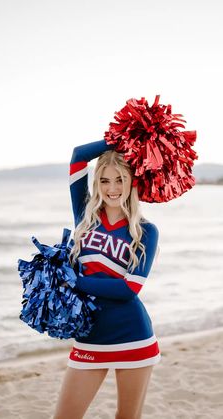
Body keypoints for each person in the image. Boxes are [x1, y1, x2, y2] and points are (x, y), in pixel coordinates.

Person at [53, 139, 161, 419]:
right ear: (96, 184)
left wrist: (76, 282)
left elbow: (129, 288)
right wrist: (121, 137)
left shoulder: (146, 231)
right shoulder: (85, 214)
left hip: (133, 335)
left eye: (120, 180)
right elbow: (78, 155)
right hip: (90, 336)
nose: (112, 188)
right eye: (104, 180)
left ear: (131, 182)